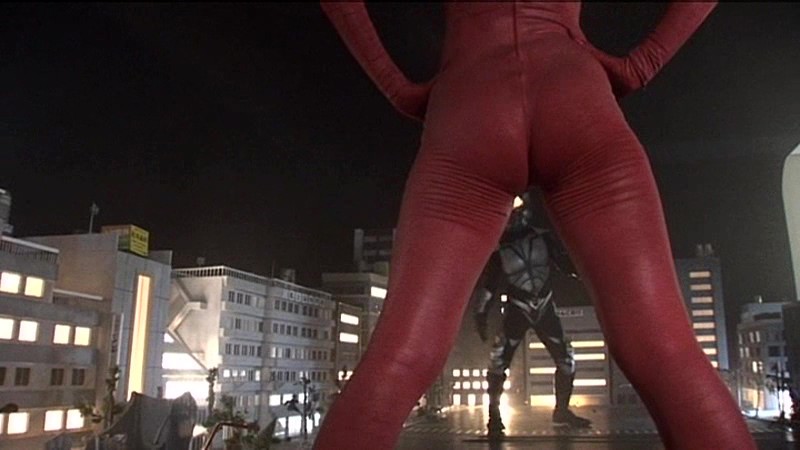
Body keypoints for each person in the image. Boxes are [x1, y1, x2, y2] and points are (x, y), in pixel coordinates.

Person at [316, 3, 756, 449]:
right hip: (573, 91)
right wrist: (641, 65)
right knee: (667, 351)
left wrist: (394, 87)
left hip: (469, 99)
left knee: (400, 357)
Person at [472, 192, 590, 436]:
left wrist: (589, 273)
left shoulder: (542, 238)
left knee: (566, 359)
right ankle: (494, 416)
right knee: (498, 360)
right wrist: (481, 314)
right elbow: (489, 286)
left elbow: (566, 264)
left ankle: (561, 411)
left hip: (544, 306)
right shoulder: (500, 250)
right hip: (519, 308)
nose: (513, 217)